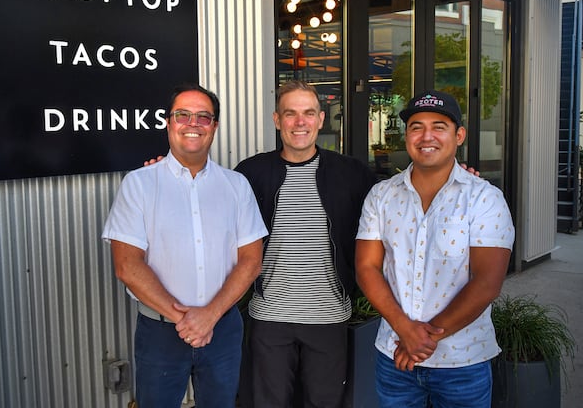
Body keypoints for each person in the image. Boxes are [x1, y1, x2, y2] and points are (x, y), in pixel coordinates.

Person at [102, 84, 268, 408]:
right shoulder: (139, 184)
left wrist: (210, 316)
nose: (193, 123)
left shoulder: (236, 186)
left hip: (223, 330)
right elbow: (127, 265)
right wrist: (188, 320)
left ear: (215, 127)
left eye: (203, 117)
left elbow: (251, 260)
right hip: (159, 333)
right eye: (183, 115)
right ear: (168, 122)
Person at [355, 90, 515, 408]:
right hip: (395, 356)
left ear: (459, 135)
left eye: (439, 126)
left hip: (462, 360)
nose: (427, 135)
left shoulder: (484, 198)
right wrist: (404, 330)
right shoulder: (381, 195)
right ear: (407, 136)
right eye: (416, 126)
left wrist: (422, 339)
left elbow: (487, 283)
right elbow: (366, 268)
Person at [234, 80, 378, 408]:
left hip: (328, 316)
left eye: (308, 113)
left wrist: (443, 177)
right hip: (269, 317)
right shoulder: (250, 173)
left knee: (325, 403)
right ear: (276, 120)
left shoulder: (351, 173)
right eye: (291, 113)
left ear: (321, 119)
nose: (300, 122)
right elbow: (210, 210)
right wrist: (168, 176)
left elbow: (395, 204)